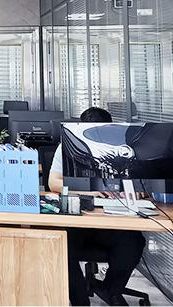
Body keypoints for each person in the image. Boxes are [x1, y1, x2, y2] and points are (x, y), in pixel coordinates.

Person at [48, 107, 146, 306]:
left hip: (112, 220)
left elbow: (146, 185)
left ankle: (110, 290)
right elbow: (53, 182)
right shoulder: (67, 146)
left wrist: (134, 191)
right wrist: (87, 191)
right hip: (78, 220)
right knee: (62, 243)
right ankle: (80, 301)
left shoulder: (122, 149)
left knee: (133, 243)